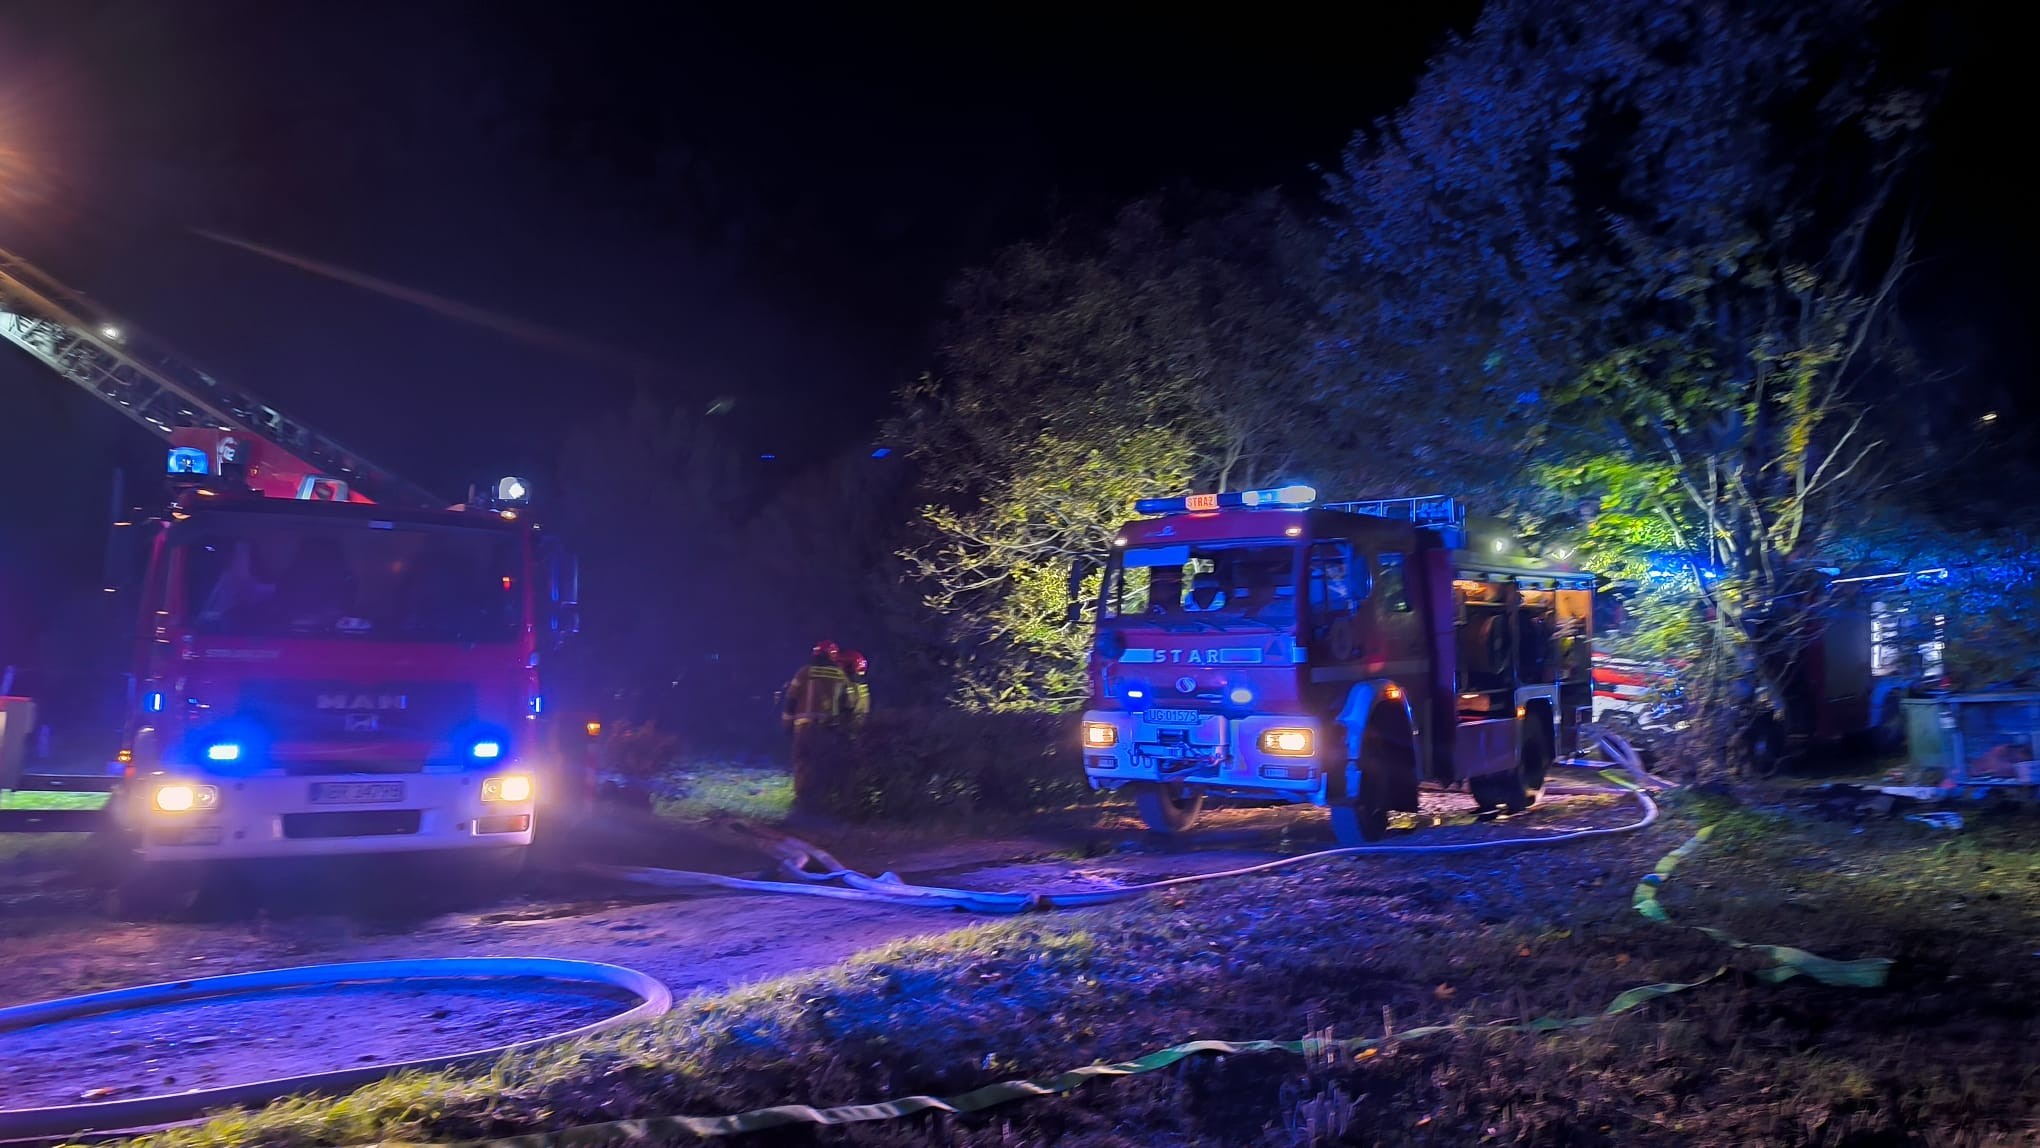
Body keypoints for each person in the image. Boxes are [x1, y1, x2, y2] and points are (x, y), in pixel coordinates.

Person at [782, 640, 851, 813]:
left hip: (802, 728)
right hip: (827, 729)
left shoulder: (804, 672)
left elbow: (790, 700)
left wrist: (786, 724)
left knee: (801, 763)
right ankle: (821, 803)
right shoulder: (841, 676)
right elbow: (848, 706)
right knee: (821, 764)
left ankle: (801, 802)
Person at [838, 649, 871, 727]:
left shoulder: (848, 684)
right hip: (857, 726)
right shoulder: (861, 684)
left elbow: (847, 705)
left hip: (845, 728)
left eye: (841, 664)